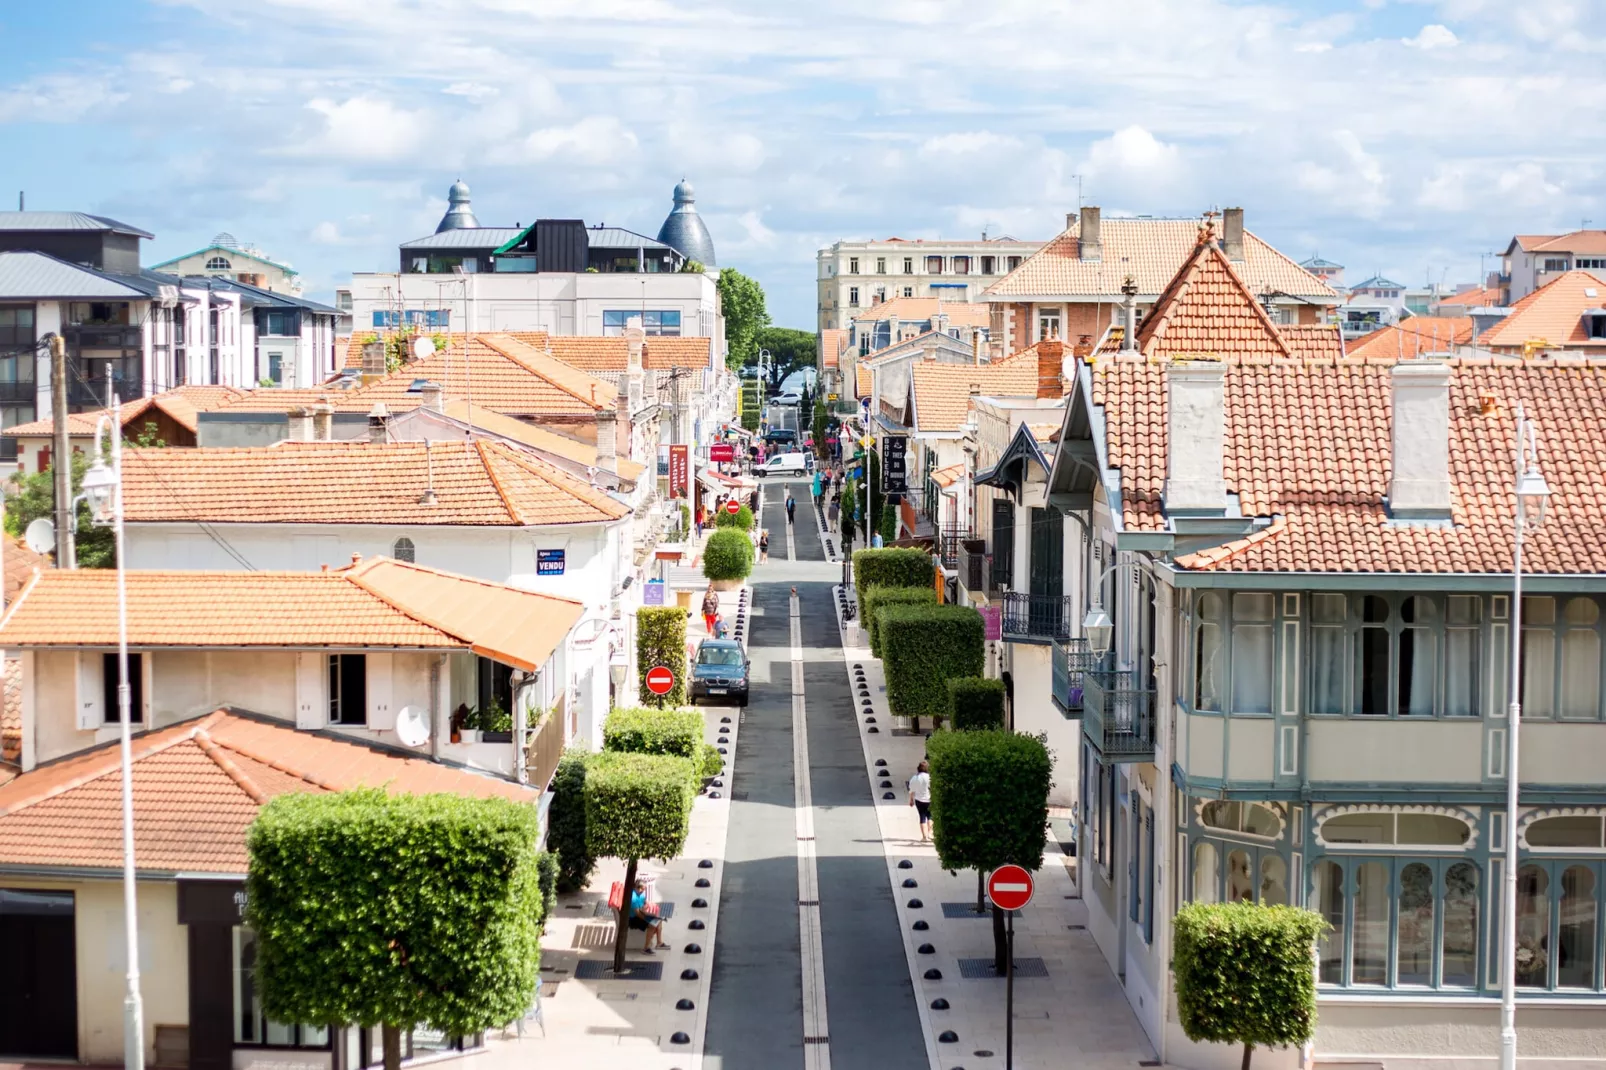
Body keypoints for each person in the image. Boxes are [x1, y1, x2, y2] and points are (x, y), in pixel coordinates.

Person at [628, 877, 667, 953]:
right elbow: (637, 913)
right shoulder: (633, 898)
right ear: (639, 888)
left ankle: (659, 942)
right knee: (652, 925)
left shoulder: (640, 894)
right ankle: (646, 948)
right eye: (643, 889)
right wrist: (648, 919)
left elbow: (645, 901)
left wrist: (648, 907)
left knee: (659, 921)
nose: (644, 890)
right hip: (633, 919)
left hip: (641, 913)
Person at [907, 760, 932, 842]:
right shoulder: (929, 777)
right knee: (930, 816)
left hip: (919, 800)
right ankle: (930, 833)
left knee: (922, 817)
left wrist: (911, 800)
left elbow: (911, 790)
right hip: (929, 799)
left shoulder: (915, 778)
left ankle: (924, 837)